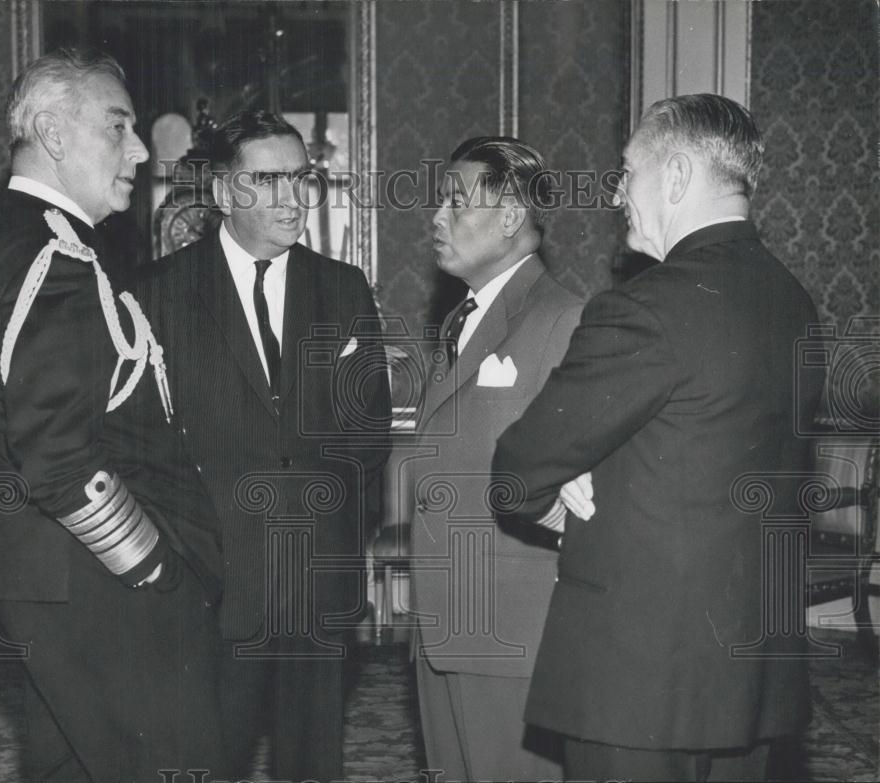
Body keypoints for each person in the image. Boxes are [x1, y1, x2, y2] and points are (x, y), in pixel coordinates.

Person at [492, 93, 824, 782]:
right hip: (754, 678)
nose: (618, 194)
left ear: (674, 177)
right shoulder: (793, 302)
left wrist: (566, 499)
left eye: (627, 172)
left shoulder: (643, 308)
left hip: (639, 685)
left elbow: (519, 469)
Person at [0, 48, 224, 782]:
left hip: (50, 580)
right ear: (53, 133)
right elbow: (62, 462)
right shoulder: (52, 260)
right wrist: (158, 571)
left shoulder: (4, 242)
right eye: (117, 126)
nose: (139, 150)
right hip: (102, 590)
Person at [135, 109, 392, 783]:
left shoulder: (342, 288)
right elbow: (142, 451)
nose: (292, 197)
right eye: (269, 179)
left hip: (316, 586)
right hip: (211, 592)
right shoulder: (157, 294)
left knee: (313, 768)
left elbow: (367, 437)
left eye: (301, 177)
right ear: (225, 194)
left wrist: (335, 542)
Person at [409, 137, 583, 782]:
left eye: (457, 202)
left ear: (511, 217)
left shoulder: (562, 318)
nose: (438, 216)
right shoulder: (463, 318)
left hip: (510, 629)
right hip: (445, 619)